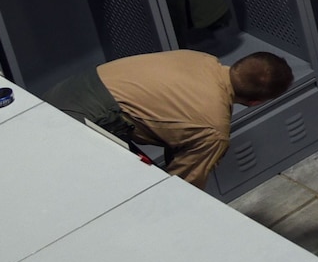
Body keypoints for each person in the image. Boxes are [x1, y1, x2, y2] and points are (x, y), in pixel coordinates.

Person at [46, 49, 292, 186]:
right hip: (80, 124)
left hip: (63, 93)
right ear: (255, 102)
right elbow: (180, 187)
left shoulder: (201, 58)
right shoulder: (214, 130)